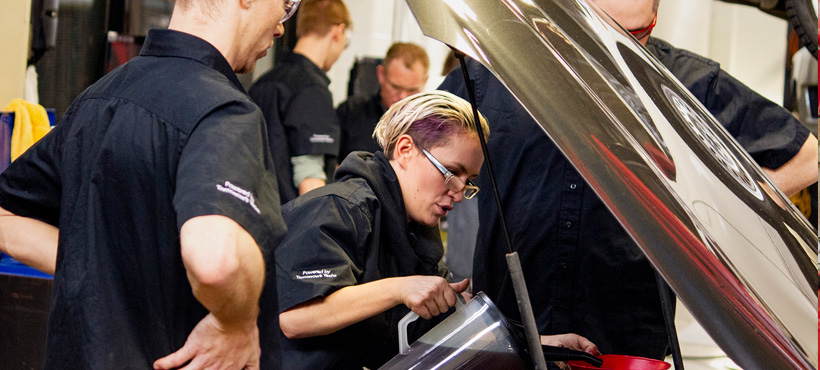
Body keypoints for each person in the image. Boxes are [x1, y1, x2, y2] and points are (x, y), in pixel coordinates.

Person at [438, 0, 818, 366]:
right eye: (595, 33)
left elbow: (808, 157)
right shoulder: (495, 72)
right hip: (512, 322)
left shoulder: (687, 84)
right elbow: (415, 150)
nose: (610, 51)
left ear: (655, 18)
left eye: (633, 36)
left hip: (625, 330)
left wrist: (717, 215)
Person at [0, 0, 293, 368]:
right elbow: (216, 262)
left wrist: (100, 262)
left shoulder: (97, 99)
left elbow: (5, 217)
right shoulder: (225, 114)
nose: (281, 25)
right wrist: (235, 322)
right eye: (284, 4)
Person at [274, 91, 600, 369]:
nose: (459, 192)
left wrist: (543, 345)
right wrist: (401, 288)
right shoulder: (338, 208)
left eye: (468, 181)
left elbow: (444, 328)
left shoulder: (417, 234)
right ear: (405, 150)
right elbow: (297, 318)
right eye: (452, 172)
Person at [249, 0, 351, 204]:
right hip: (291, 227)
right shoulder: (312, 90)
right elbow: (310, 183)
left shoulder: (264, 82)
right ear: (338, 32)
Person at [336, 42, 429, 162]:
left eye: (412, 90)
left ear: (425, 82)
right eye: (395, 87)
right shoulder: (350, 113)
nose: (403, 97)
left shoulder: (432, 128)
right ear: (381, 74)